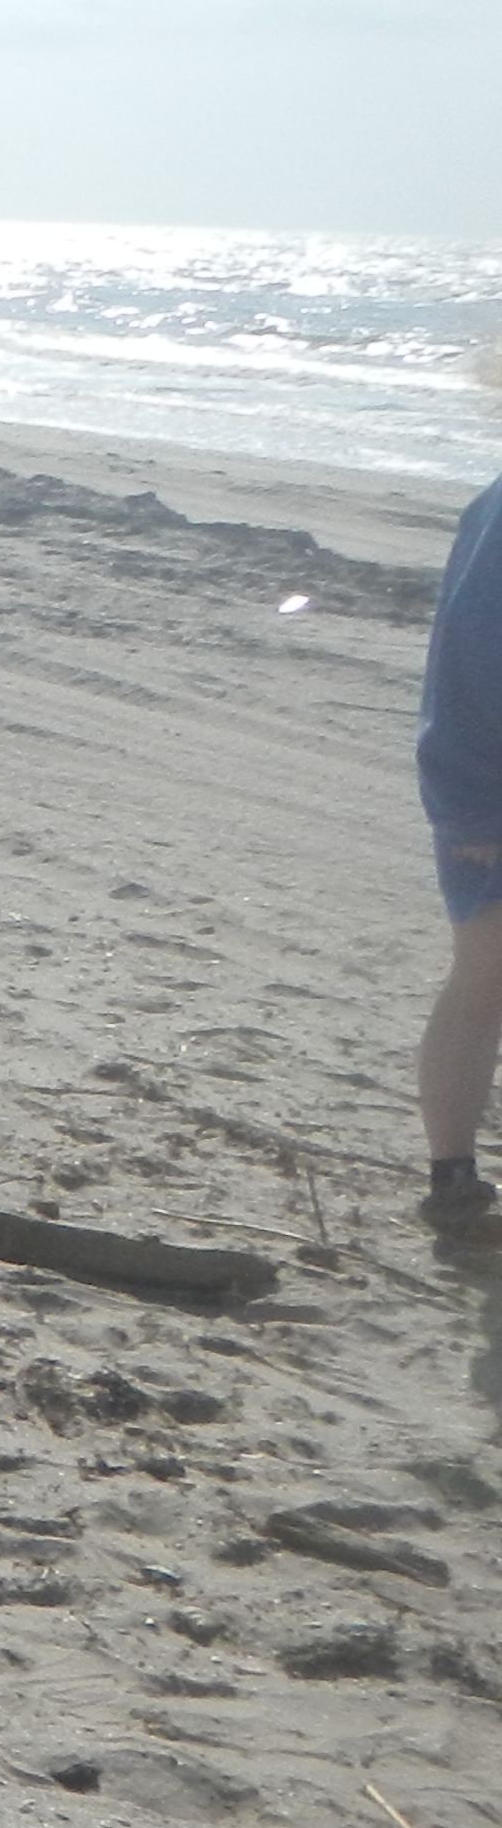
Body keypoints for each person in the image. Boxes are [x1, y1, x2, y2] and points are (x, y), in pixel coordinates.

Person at [420, 430, 502, 1242]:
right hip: (492, 802)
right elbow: (464, 667)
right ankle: (452, 1174)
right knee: (483, 987)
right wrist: (473, 810)